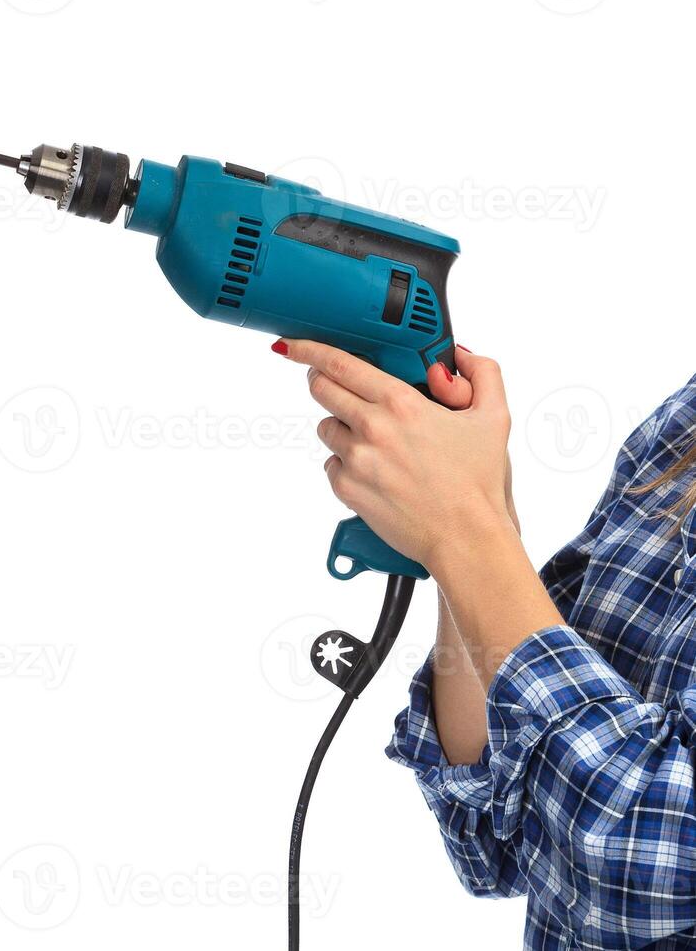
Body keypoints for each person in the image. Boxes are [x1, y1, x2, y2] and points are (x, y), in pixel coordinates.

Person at [271, 337, 696, 949]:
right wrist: (474, 507)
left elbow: (644, 866)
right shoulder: (684, 422)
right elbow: (494, 839)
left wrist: (462, 527)